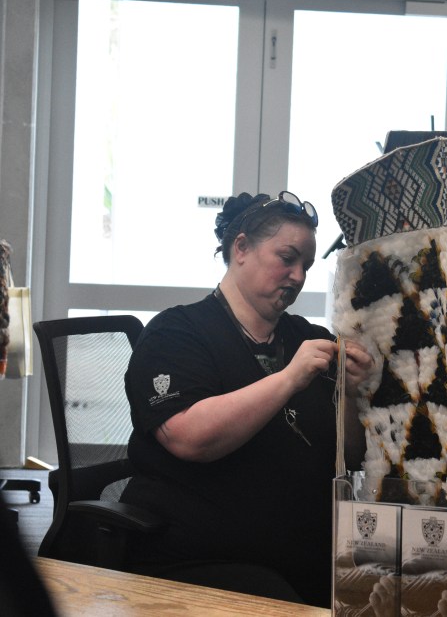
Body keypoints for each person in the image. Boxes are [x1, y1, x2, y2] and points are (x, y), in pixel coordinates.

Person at [119, 190, 372, 607]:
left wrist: (351, 392)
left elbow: (349, 453)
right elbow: (190, 437)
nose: (297, 276)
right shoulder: (176, 334)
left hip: (302, 555)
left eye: (306, 265)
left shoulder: (305, 339)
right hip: (200, 558)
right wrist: (289, 378)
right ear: (241, 248)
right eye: (286, 258)